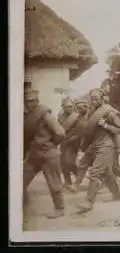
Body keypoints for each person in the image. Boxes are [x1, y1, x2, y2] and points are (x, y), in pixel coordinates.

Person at [76, 89, 120, 213]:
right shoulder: (92, 112)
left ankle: (88, 202)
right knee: (106, 172)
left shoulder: (110, 112)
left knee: (95, 172)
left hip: (106, 146)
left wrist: (106, 125)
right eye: (93, 98)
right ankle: (117, 195)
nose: (94, 100)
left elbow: (119, 130)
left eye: (97, 98)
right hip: (95, 145)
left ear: (102, 98)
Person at [23, 90, 66, 218]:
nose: (29, 104)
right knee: (21, 180)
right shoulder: (27, 115)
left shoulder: (45, 114)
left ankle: (60, 209)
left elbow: (60, 133)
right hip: (34, 155)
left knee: (54, 183)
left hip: (48, 154)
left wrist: (51, 144)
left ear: (37, 101)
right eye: (27, 101)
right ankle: (23, 205)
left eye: (31, 101)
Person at [57, 97, 80, 189]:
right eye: (67, 107)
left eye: (71, 106)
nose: (69, 108)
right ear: (63, 107)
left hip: (73, 142)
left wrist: (69, 139)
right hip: (63, 141)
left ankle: (78, 179)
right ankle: (68, 181)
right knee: (63, 163)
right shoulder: (61, 116)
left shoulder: (76, 117)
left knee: (69, 162)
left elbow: (79, 132)